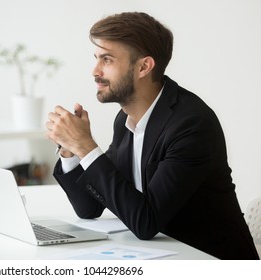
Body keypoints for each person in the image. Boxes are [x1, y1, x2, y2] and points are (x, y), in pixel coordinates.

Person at [46, 12, 259, 260]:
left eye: (107, 59)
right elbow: (89, 208)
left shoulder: (191, 124)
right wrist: (70, 150)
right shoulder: (126, 120)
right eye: (96, 59)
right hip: (164, 255)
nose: (95, 71)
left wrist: (86, 146)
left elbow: (146, 222)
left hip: (212, 261)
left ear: (144, 67)